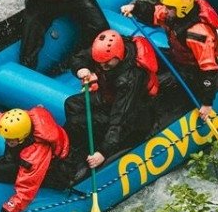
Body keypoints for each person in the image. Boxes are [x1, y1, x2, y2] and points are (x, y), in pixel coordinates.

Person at [130, 0, 218, 119]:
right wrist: (135, 8)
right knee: (144, 54)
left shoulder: (197, 34)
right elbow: (155, 12)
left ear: (181, 9)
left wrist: (207, 103)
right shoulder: (174, 14)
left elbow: (209, 70)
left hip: (193, 70)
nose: (165, 10)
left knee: (163, 84)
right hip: (179, 57)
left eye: (168, 8)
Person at [64, 30, 160, 168]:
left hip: (135, 114)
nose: (102, 67)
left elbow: (120, 119)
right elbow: (79, 58)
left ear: (118, 55)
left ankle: (97, 147)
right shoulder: (105, 52)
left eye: (107, 63)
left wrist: (103, 152)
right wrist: (81, 69)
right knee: (72, 104)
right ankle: (79, 144)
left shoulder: (130, 78)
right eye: (100, 63)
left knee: (78, 122)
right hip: (110, 96)